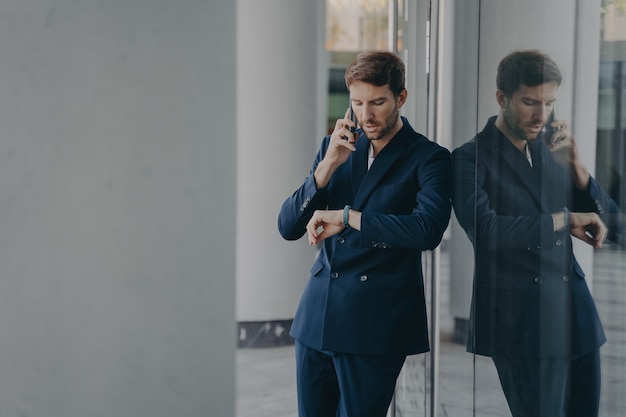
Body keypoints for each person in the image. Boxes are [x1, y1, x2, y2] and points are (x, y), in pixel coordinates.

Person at [277, 50, 451, 417]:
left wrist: (348, 217)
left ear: (400, 98)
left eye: (378, 102)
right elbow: (288, 227)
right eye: (357, 102)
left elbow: (427, 231)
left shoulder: (429, 158)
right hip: (317, 319)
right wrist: (326, 168)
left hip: (376, 326)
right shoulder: (334, 149)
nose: (366, 115)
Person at [452, 49, 621, 417]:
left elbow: (616, 225)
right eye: (530, 102)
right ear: (502, 98)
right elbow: (485, 230)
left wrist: (579, 174)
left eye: (548, 103)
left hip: (575, 318)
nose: (540, 114)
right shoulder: (469, 157)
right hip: (521, 323)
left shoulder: (552, 152)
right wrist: (562, 219)